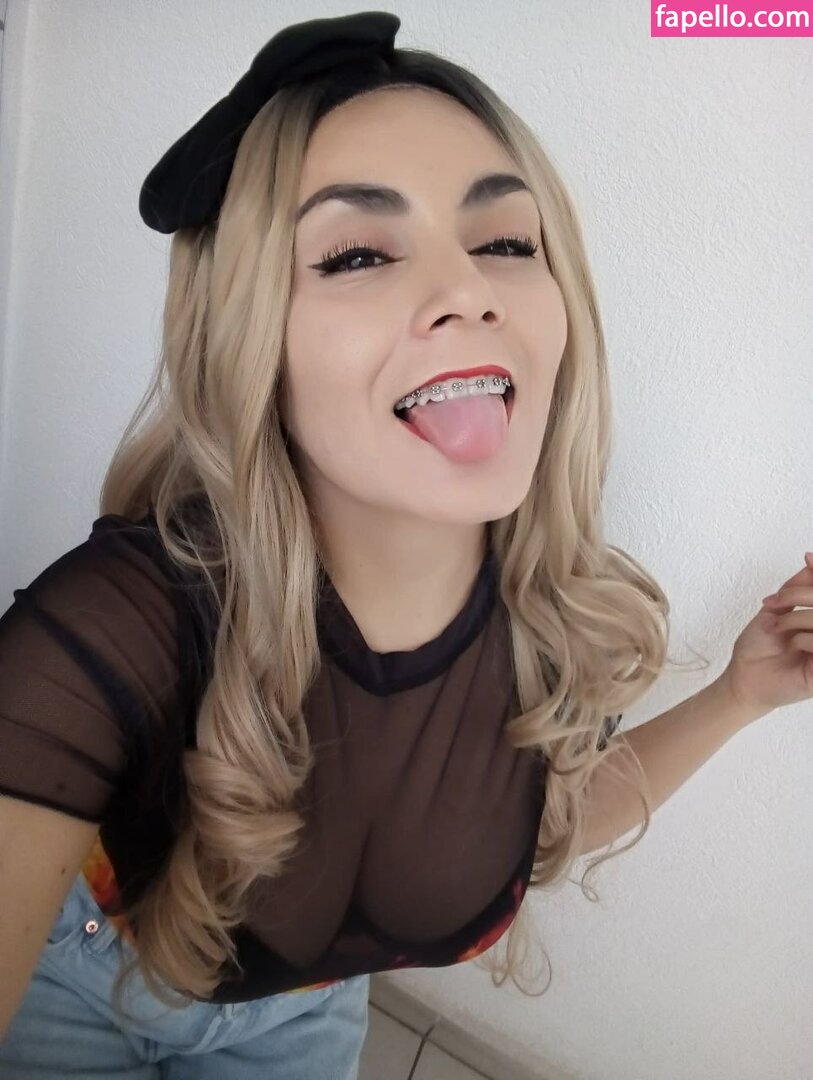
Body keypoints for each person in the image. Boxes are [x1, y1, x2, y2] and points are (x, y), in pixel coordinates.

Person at [0, 10, 673, 1078]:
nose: (469, 292)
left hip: (306, 1024)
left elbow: (547, 816)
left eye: (506, 242)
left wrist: (750, 690)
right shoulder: (111, 630)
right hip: (83, 977)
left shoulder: (564, 613)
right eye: (358, 253)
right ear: (248, 334)